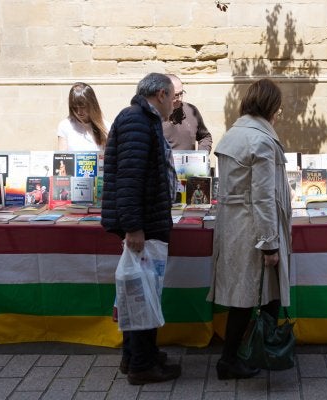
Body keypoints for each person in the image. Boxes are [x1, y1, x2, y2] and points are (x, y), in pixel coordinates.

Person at [207, 78, 292, 380]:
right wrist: (269, 243)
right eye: (277, 106)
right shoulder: (261, 141)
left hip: (234, 226)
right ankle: (244, 356)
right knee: (257, 296)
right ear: (270, 106)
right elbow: (264, 196)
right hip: (256, 229)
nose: (279, 111)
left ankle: (243, 355)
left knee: (248, 296)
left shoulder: (234, 134)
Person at [101, 73, 181, 385]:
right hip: (144, 226)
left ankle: (136, 354)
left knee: (142, 291)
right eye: (173, 96)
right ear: (161, 93)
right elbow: (130, 179)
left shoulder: (140, 118)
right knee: (142, 294)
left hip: (147, 222)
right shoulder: (137, 120)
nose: (175, 102)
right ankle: (142, 365)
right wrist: (133, 227)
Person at [162, 74, 213, 152]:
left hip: (190, 164)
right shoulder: (151, 116)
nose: (180, 98)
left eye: (181, 93)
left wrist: (201, 155)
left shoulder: (191, 110)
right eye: (175, 95)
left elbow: (205, 137)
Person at [57, 82, 109, 151]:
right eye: (75, 107)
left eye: (83, 107)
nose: (79, 112)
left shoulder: (106, 127)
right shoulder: (65, 125)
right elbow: (62, 157)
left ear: (92, 104)